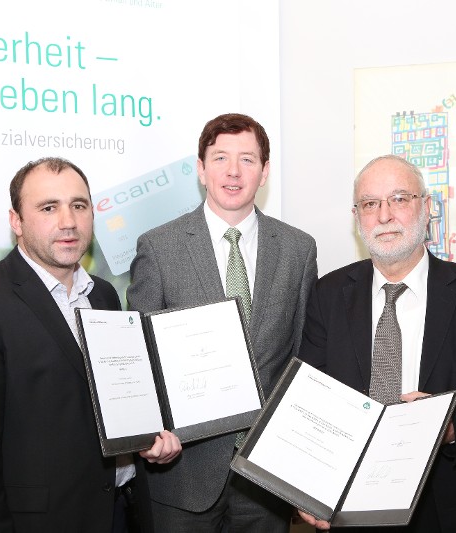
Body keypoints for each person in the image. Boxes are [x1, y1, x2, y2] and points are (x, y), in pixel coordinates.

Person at [0, 157, 181, 533]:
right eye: (48, 207)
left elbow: (109, 404)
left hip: (123, 512)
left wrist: (148, 439)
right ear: (16, 221)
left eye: (79, 205)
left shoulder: (104, 295)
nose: (68, 221)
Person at [297, 154, 456, 532]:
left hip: (453, 502)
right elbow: (310, 396)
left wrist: (450, 424)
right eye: (370, 204)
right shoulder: (328, 294)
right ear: (357, 216)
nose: (384, 215)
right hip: (349, 498)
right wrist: (306, 485)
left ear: (426, 208)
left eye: (399, 199)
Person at [127, 113, 318, 532]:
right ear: (201, 169)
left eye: (247, 159)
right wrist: (148, 433)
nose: (233, 171)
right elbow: (139, 358)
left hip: (266, 474)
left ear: (264, 172)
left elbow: (302, 359)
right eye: (220, 158)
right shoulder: (158, 247)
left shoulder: (298, 249)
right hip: (182, 472)